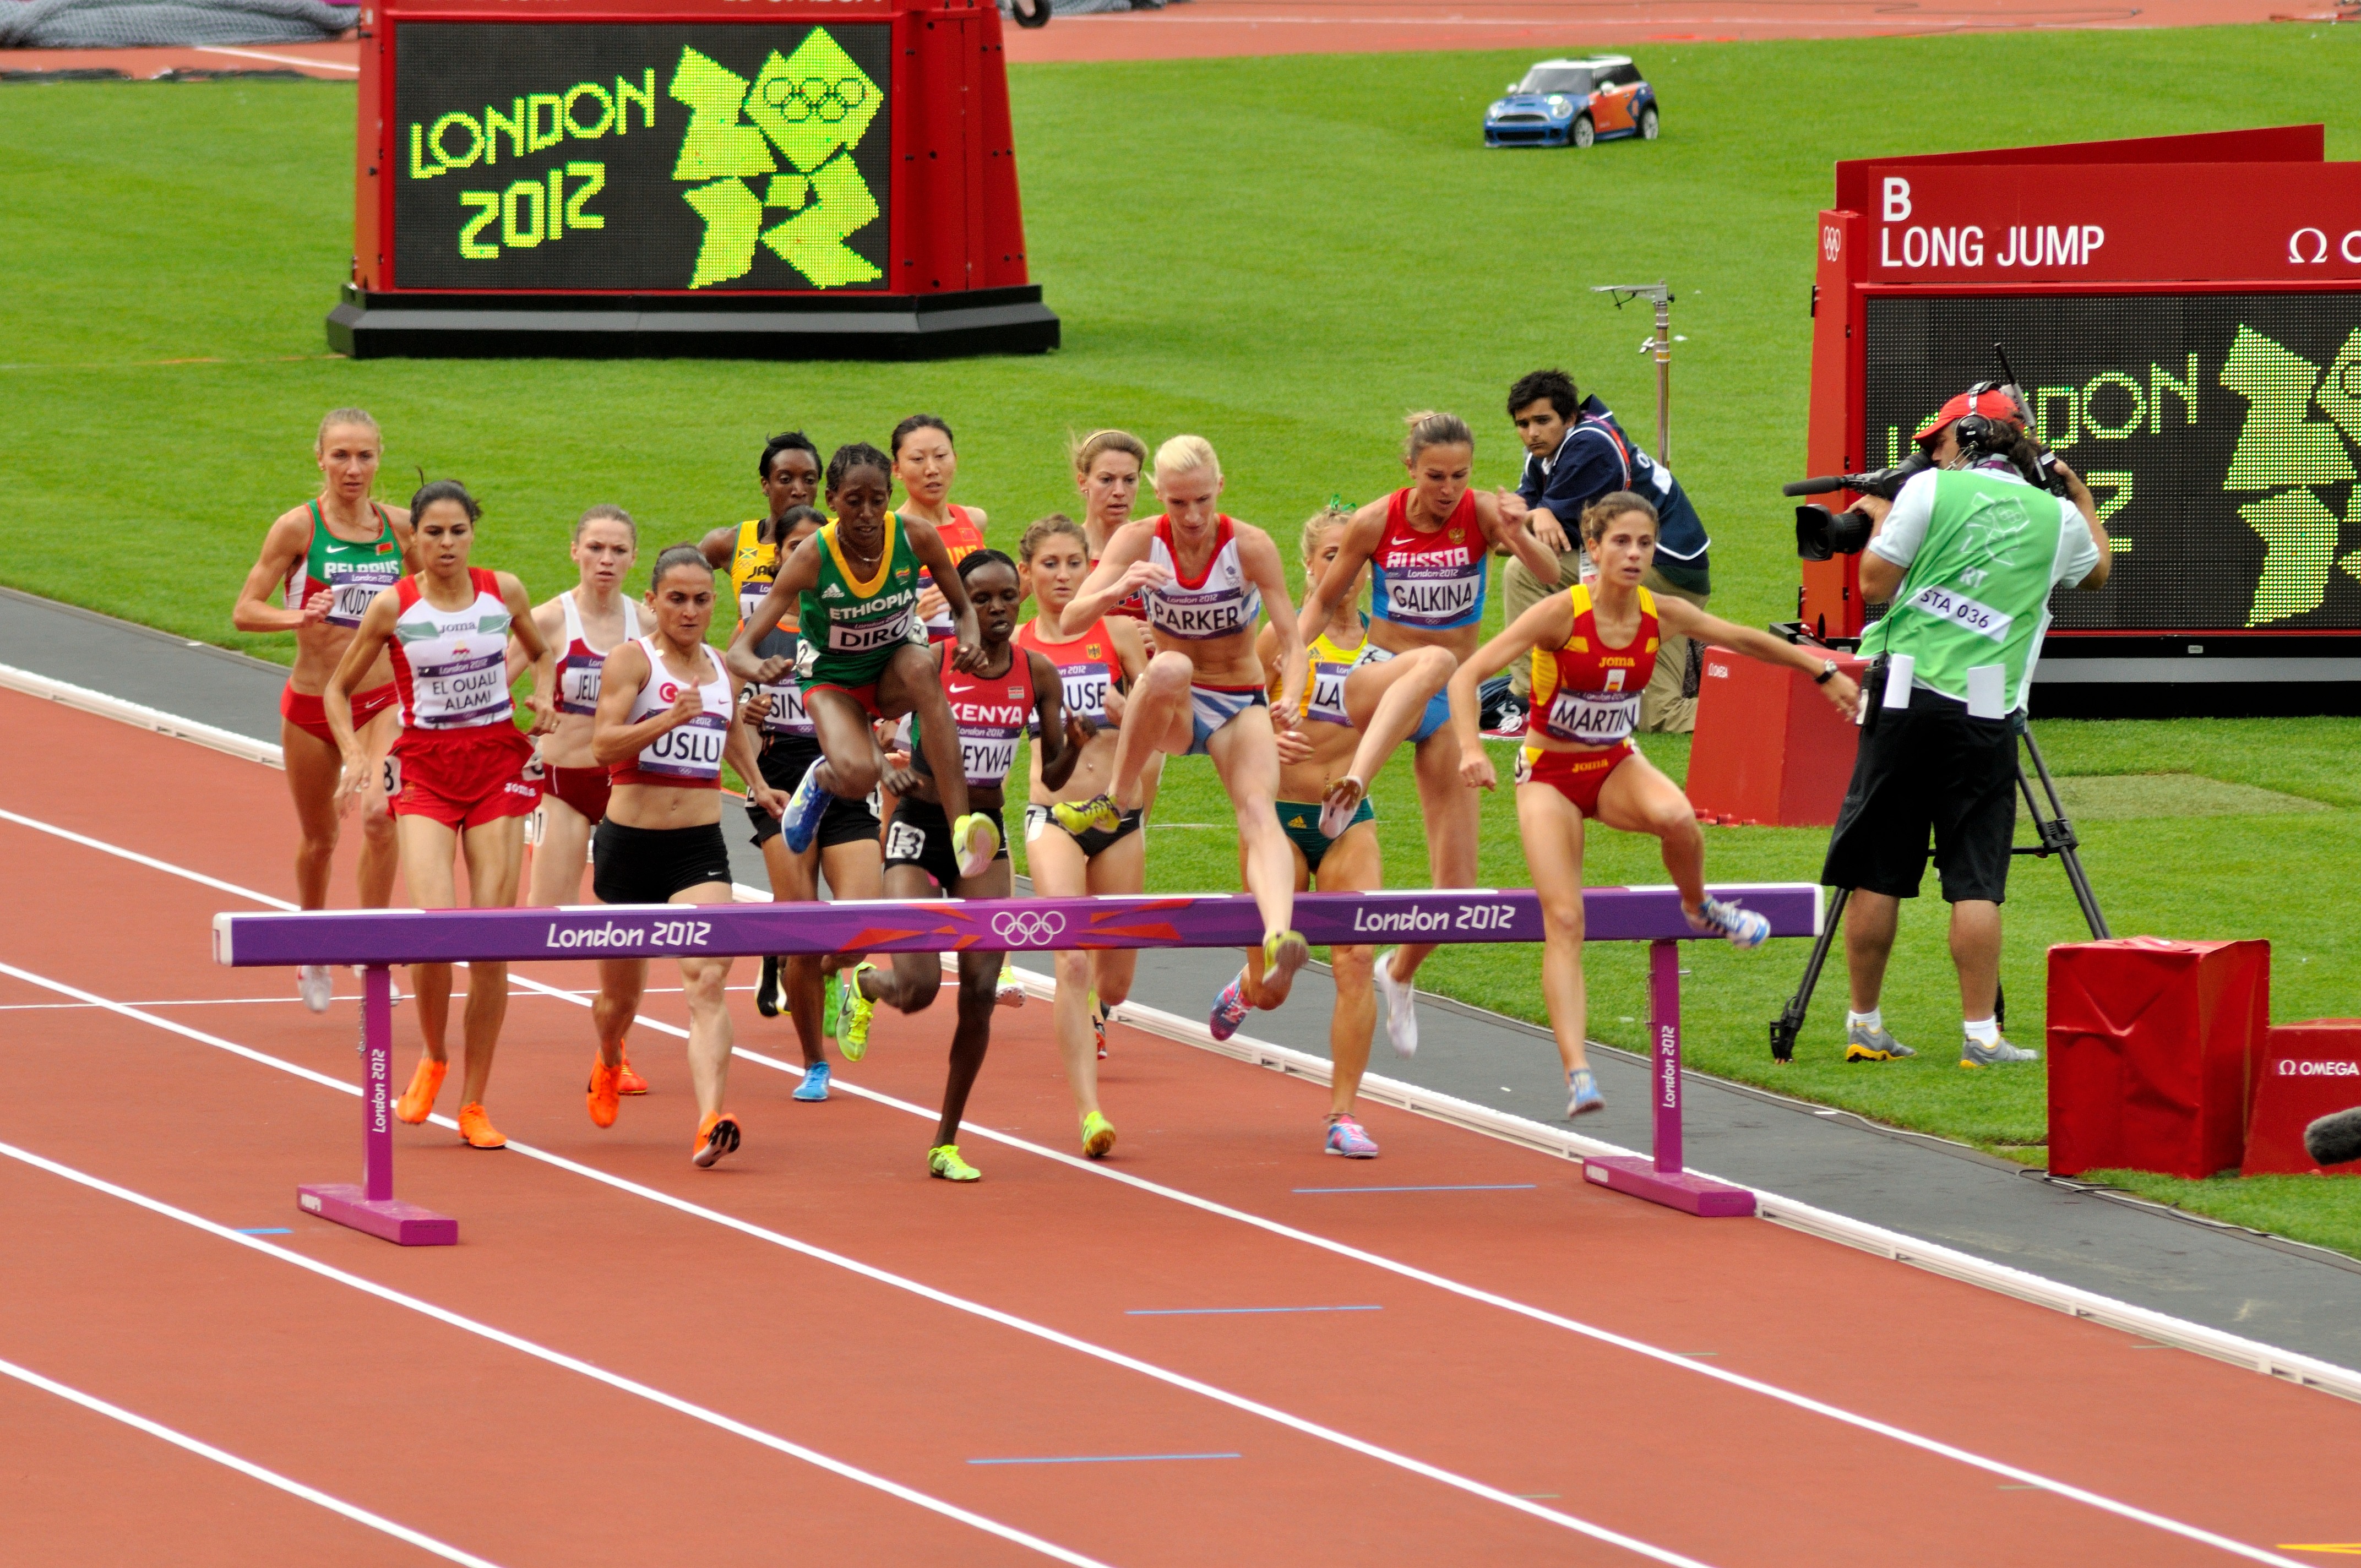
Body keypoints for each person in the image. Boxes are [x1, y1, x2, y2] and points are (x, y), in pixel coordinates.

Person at [1449, 492, 1859, 1117]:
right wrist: (1469, 750)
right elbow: (1464, 674)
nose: (1635, 554)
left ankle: (1699, 908)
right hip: (1550, 775)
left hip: (1613, 763)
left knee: (1678, 816)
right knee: (1564, 921)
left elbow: (1743, 639)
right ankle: (1578, 1072)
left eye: (1644, 543)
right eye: (1621, 542)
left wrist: (1821, 672)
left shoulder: (1659, 613)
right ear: (1593, 548)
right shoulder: (1560, 614)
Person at [1824, 389, 2108, 1069]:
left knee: (1877, 870)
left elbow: (1870, 583)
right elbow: (2097, 573)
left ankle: (1864, 1025)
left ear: (1970, 444)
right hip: (1987, 705)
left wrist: (1893, 516)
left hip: (1901, 690)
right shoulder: (2057, 517)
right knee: (1976, 877)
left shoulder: (1926, 492)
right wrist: (2083, 498)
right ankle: (1981, 1037)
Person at [1296, 412, 1564, 1058]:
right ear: (1410, 469)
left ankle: (1400, 971)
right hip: (1379, 679)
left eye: (1460, 475)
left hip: (1447, 703)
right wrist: (1285, 682)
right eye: (1436, 476)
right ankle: (1356, 780)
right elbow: (1318, 603)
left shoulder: (1479, 514)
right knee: (1435, 663)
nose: (1448, 489)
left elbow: (1550, 575)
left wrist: (1520, 529)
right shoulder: (1374, 521)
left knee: (1459, 884)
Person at [324, 481, 554, 1150]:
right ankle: (433, 1053)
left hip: (496, 766)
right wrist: (354, 755)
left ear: (471, 535)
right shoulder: (394, 605)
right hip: (424, 766)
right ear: (413, 540)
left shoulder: (502, 591)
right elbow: (339, 691)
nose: (447, 544)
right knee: (435, 932)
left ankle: (475, 1101)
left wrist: (541, 695)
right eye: (434, 533)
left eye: (458, 532)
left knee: (490, 943)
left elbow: (540, 654)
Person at [840, 551, 1084, 1180]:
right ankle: (868, 986)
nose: (997, 609)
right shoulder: (933, 665)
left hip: (985, 833)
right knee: (918, 990)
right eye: (981, 599)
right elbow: (854, 708)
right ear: (960, 606)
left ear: (1021, 599)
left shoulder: (1038, 674)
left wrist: (1076, 747)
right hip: (920, 826)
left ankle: (945, 1140)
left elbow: (1052, 774)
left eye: (1007, 597)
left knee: (979, 992)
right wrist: (882, 761)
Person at [1057, 435, 1314, 999]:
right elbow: (1071, 619)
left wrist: (1290, 695)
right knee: (1170, 664)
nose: (1192, 516)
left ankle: (1277, 932)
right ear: (1160, 497)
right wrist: (1118, 587)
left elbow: (1294, 644)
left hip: (1237, 701)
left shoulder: (1249, 546)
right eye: (1178, 504)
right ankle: (1118, 798)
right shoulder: (1137, 540)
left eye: (1202, 500)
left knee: (1258, 810)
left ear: (1219, 487)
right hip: (1174, 703)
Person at [585, 544, 781, 1168]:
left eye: (701, 599)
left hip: (697, 847)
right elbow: (602, 744)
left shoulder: (724, 668)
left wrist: (755, 780)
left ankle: (709, 1118)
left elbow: (727, 733)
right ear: (653, 601)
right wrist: (666, 718)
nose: (690, 610)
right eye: (677, 598)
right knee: (620, 999)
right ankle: (611, 1056)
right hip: (630, 846)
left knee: (707, 979)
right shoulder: (630, 662)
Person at [726, 442, 999, 882]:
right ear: (832, 501)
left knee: (922, 667)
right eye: (854, 502)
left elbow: (964, 608)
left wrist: (969, 641)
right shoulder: (812, 557)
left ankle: (961, 828)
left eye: (878, 501)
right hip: (833, 681)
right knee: (857, 778)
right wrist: (756, 667)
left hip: (893, 668)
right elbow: (744, 644)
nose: (868, 514)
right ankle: (822, 780)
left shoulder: (915, 536)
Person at [1210, 506, 1392, 1157]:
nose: (1343, 569)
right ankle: (1246, 983)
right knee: (1271, 994)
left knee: (1357, 962)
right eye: (1329, 556)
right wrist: (1267, 735)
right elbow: (1226, 718)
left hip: (1346, 823)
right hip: (1278, 821)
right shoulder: (1279, 642)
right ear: (1309, 565)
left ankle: (1343, 1115)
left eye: (1355, 556)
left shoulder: (1383, 642)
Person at [231, 409, 412, 1012]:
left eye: (364, 456)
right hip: (312, 702)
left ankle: (373, 940)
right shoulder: (297, 529)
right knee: (319, 839)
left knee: (382, 818)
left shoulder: (402, 529)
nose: (353, 469)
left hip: (380, 700)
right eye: (341, 456)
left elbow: (432, 596)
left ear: (380, 456)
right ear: (320, 458)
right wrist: (298, 616)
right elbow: (246, 609)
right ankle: (312, 944)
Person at [1014, 515, 1150, 1155]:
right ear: (1028, 574)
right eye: (1050, 564)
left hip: (1117, 819)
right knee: (1070, 958)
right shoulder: (1017, 645)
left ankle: (1098, 1011)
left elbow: (1169, 724)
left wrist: (1132, 718)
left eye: (1075, 563)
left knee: (1114, 982)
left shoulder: (1119, 631)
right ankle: (1090, 1113)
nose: (1064, 576)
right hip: (1054, 818)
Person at [1496, 368, 1713, 737]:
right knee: (1656, 715)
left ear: (1568, 417)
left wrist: (1530, 519)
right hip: (1644, 568)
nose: (1532, 433)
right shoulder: (1545, 452)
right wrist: (1535, 516)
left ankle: (1532, 701)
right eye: (1523, 423)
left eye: (1542, 421)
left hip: (1665, 572)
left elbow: (1518, 538)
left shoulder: (1590, 447)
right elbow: (1512, 532)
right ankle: (1736, 689)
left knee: (1525, 571)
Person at [513, 504, 648, 1091]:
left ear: (633, 558)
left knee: (629, 923)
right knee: (546, 920)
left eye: (618, 550)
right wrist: (520, 735)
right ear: (575, 551)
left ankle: (614, 1045)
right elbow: (491, 687)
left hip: (627, 788)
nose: (606, 560)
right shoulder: (548, 619)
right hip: (565, 784)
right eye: (596, 548)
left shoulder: (647, 622)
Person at [891, 414, 989, 643]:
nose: (932, 469)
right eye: (917, 459)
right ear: (897, 469)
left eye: (941, 456)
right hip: (922, 667)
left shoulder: (974, 520)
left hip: (975, 661)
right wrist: (913, 618)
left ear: (955, 459)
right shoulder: (890, 533)